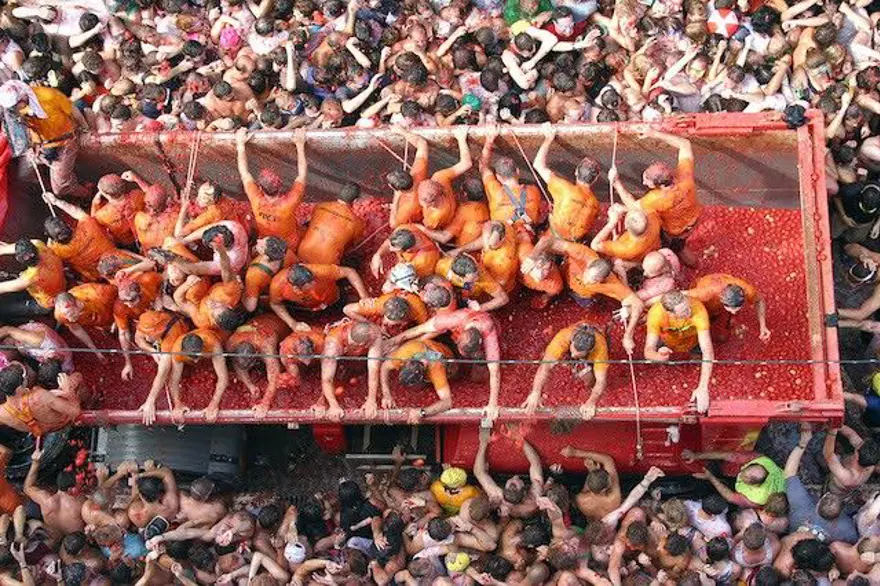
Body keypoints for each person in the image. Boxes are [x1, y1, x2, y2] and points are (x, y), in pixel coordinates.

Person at [387, 308, 502, 422]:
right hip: (452, 335)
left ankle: (477, 359)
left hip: (471, 344)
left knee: (478, 376)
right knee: (432, 332)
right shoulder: (454, 320)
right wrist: (391, 342)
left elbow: (494, 371)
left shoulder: (489, 335)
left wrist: (493, 403)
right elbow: (419, 329)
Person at [609, 129, 701, 267]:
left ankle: (695, 265)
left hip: (675, 231)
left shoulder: (656, 198)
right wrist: (654, 133)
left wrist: (616, 183)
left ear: (659, 185)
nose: (644, 183)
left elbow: (634, 207)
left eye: (647, 181)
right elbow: (684, 144)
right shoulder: (684, 175)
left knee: (678, 247)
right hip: (694, 218)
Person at [0, 80, 89, 200]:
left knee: (60, 188)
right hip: (40, 145)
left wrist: (85, 129)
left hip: (63, 144)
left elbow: (72, 109)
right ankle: (46, 186)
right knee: (24, 175)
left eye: (14, 107)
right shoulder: (16, 109)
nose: (13, 111)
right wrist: (31, 146)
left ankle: (87, 195)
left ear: (23, 97)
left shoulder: (47, 96)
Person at [783, 424, 859, 544]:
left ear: (818, 504)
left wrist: (802, 443)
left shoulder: (801, 506)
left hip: (797, 544)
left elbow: (789, 473)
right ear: (839, 515)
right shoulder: (847, 529)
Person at [522, 321, 609, 420]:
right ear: (572, 341)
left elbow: (601, 381)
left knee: (589, 380)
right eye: (573, 351)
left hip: (597, 337)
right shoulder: (562, 337)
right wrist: (536, 392)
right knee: (547, 360)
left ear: (589, 351)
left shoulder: (600, 348)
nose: (573, 355)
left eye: (578, 355)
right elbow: (544, 367)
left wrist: (591, 402)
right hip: (568, 344)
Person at [644, 291, 714, 413]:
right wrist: (657, 356)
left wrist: (703, 387)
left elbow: (707, 351)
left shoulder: (698, 310)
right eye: (684, 312)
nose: (689, 312)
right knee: (659, 362)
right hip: (667, 342)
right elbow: (648, 350)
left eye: (688, 307)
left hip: (693, 341)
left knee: (697, 358)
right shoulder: (656, 315)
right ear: (670, 313)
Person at [236, 127, 307, 246]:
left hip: (266, 241)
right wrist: (300, 145)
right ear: (281, 187)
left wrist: (240, 145)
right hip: (289, 243)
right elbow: (302, 174)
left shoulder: (256, 198)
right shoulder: (289, 202)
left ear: (260, 188)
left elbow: (244, 173)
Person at [532, 123, 600, 242]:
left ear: (575, 172)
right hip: (574, 243)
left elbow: (538, 164)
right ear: (596, 179)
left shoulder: (565, 188)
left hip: (552, 239)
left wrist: (548, 138)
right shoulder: (595, 204)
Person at [42, 191, 117, 282]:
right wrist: (56, 201)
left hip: (99, 273)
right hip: (117, 257)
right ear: (69, 226)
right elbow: (77, 212)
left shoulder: (57, 251)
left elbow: (48, 251)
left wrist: (52, 235)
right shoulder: (88, 226)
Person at [225, 313, 290, 418]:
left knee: (283, 368)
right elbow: (236, 362)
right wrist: (249, 385)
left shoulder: (266, 345)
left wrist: (265, 403)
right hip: (256, 321)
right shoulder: (231, 343)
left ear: (256, 353)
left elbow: (274, 376)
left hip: (279, 324)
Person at [270, 262, 369, 329]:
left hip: (336, 298)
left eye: (313, 282)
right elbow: (275, 304)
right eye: (307, 287)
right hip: (310, 309)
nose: (312, 287)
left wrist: (364, 296)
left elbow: (349, 272)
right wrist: (292, 324)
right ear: (296, 288)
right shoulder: (278, 286)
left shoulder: (321, 271)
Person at [380, 338, 455, 424]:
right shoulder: (406, 352)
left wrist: (422, 412)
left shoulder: (436, 368)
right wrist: (386, 395)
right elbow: (384, 366)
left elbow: (447, 402)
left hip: (448, 359)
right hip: (424, 346)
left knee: (454, 373)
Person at [687, 273, 771, 342]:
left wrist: (763, 326)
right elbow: (683, 294)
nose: (734, 312)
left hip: (717, 304)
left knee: (724, 337)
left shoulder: (746, 290)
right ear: (722, 301)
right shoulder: (705, 293)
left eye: (737, 309)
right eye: (732, 309)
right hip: (702, 303)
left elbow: (759, 300)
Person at [168, 329, 230, 423]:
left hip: (213, 335)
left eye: (197, 356)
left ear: (203, 346)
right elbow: (174, 380)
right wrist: (177, 404)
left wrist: (213, 405)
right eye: (192, 357)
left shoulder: (213, 344)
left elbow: (223, 378)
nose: (196, 361)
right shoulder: (177, 351)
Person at [0, 370, 84, 437]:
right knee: (77, 376)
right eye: (24, 379)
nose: (26, 378)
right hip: (63, 425)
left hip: (45, 432)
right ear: (18, 388)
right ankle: (92, 401)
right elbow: (75, 411)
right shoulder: (39, 397)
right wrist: (68, 390)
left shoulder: (2, 412)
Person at [24, 446, 86, 537]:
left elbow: (27, 487)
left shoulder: (45, 500)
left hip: (56, 538)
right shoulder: (79, 502)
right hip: (77, 540)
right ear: (70, 489)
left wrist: (35, 463)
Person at [297, 182, 364, 265]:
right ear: (355, 201)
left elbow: (312, 222)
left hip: (302, 254)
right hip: (327, 264)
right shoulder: (357, 223)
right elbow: (352, 244)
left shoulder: (320, 206)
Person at [53, 283, 117, 360]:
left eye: (71, 313)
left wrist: (117, 321)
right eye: (65, 315)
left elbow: (120, 301)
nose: (69, 319)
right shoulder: (60, 315)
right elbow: (76, 328)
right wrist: (95, 350)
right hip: (100, 322)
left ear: (78, 303)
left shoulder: (99, 293)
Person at [0, 239, 65, 311]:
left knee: (5, 308)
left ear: (19, 260)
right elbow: (32, 243)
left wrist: (4, 249)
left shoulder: (30, 278)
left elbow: (3, 287)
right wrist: (4, 249)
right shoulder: (39, 245)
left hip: (49, 302)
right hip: (61, 283)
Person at [90, 173, 144, 247]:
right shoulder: (137, 195)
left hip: (125, 241)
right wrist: (137, 179)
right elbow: (151, 193)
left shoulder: (103, 214)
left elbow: (93, 223)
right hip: (142, 232)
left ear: (107, 195)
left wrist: (95, 204)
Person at [823, 425, 880, 495]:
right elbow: (851, 435)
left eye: (859, 445)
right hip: (840, 465)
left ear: (857, 454)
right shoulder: (870, 461)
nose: (859, 443)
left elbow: (828, 454)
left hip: (834, 488)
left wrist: (832, 432)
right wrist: (837, 424)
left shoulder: (849, 478)